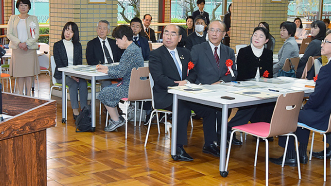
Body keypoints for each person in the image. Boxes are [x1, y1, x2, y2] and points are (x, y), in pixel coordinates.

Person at [270, 30, 331, 166]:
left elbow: (317, 97)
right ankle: (301, 154)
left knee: (289, 114)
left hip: (325, 118)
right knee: (302, 114)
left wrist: (306, 108)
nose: (322, 45)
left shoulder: (328, 69)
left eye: (326, 42)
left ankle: (291, 155)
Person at [149, 24, 203, 161]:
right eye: (166, 33)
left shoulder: (185, 52)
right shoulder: (156, 54)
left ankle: (211, 143)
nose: (168, 36)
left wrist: (187, 82)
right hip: (165, 95)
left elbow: (193, 72)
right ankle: (177, 148)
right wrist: (177, 84)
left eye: (173, 34)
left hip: (186, 92)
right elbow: (159, 78)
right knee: (182, 106)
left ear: (179, 38)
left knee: (209, 106)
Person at [187, 20, 237, 155]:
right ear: (207, 32)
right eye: (211, 30)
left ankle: (222, 137)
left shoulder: (229, 51)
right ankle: (210, 143)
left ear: (224, 34)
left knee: (226, 107)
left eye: (218, 31)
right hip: (203, 91)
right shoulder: (197, 49)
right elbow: (191, 70)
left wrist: (221, 81)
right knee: (210, 110)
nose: (214, 34)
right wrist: (199, 86)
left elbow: (233, 73)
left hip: (221, 90)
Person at [97, 25, 144, 131]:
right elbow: (122, 67)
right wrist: (108, 68)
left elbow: (120, 73)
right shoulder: (135, 48)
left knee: (104, 92)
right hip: (137, 86)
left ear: (124, 38)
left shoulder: (129, 52)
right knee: (109, 90)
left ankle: (116, 120)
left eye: (117, 40)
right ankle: (118, 117)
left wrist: (107, 70)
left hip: (130, 88)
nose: (116, 43)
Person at [227, 27, 274, 134]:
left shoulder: (268, 53)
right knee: (251, 105)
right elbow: (242, 74)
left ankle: (263, 128)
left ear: (266, 40)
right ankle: (231, 128)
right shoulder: (244, 52)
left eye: (261, 36)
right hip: (245, 87)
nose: (257, 38)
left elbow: (269, 74)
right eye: (255, 35)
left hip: (262, 88)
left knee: (271, 103)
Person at [53, 22, 87, 120]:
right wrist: (70, 75)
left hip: (75, 74)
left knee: (83, 83)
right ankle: (75, 111)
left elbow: (79, 63)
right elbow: (59, 64)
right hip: (62, 75)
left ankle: (84, 110)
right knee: (73, 84)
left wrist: (75, 74)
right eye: (67, 30)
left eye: (71, 31)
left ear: (74, 34)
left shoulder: (77, 45)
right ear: (63, 30)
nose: (68, 33)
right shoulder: (57, 45)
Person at [6, 0, 40, 95]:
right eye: (21, 5)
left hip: (29, 50)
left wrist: (27, 43)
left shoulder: (33, 18)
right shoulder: (13, 18)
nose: (23, 7)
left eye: (25, 5)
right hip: (17, 49)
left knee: (29, 74)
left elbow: (36, 35)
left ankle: (29, 94)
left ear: (29, 7)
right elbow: (9, 33)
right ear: (18, 6)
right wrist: (19, 43)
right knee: (19, 74)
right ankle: (20, 94)